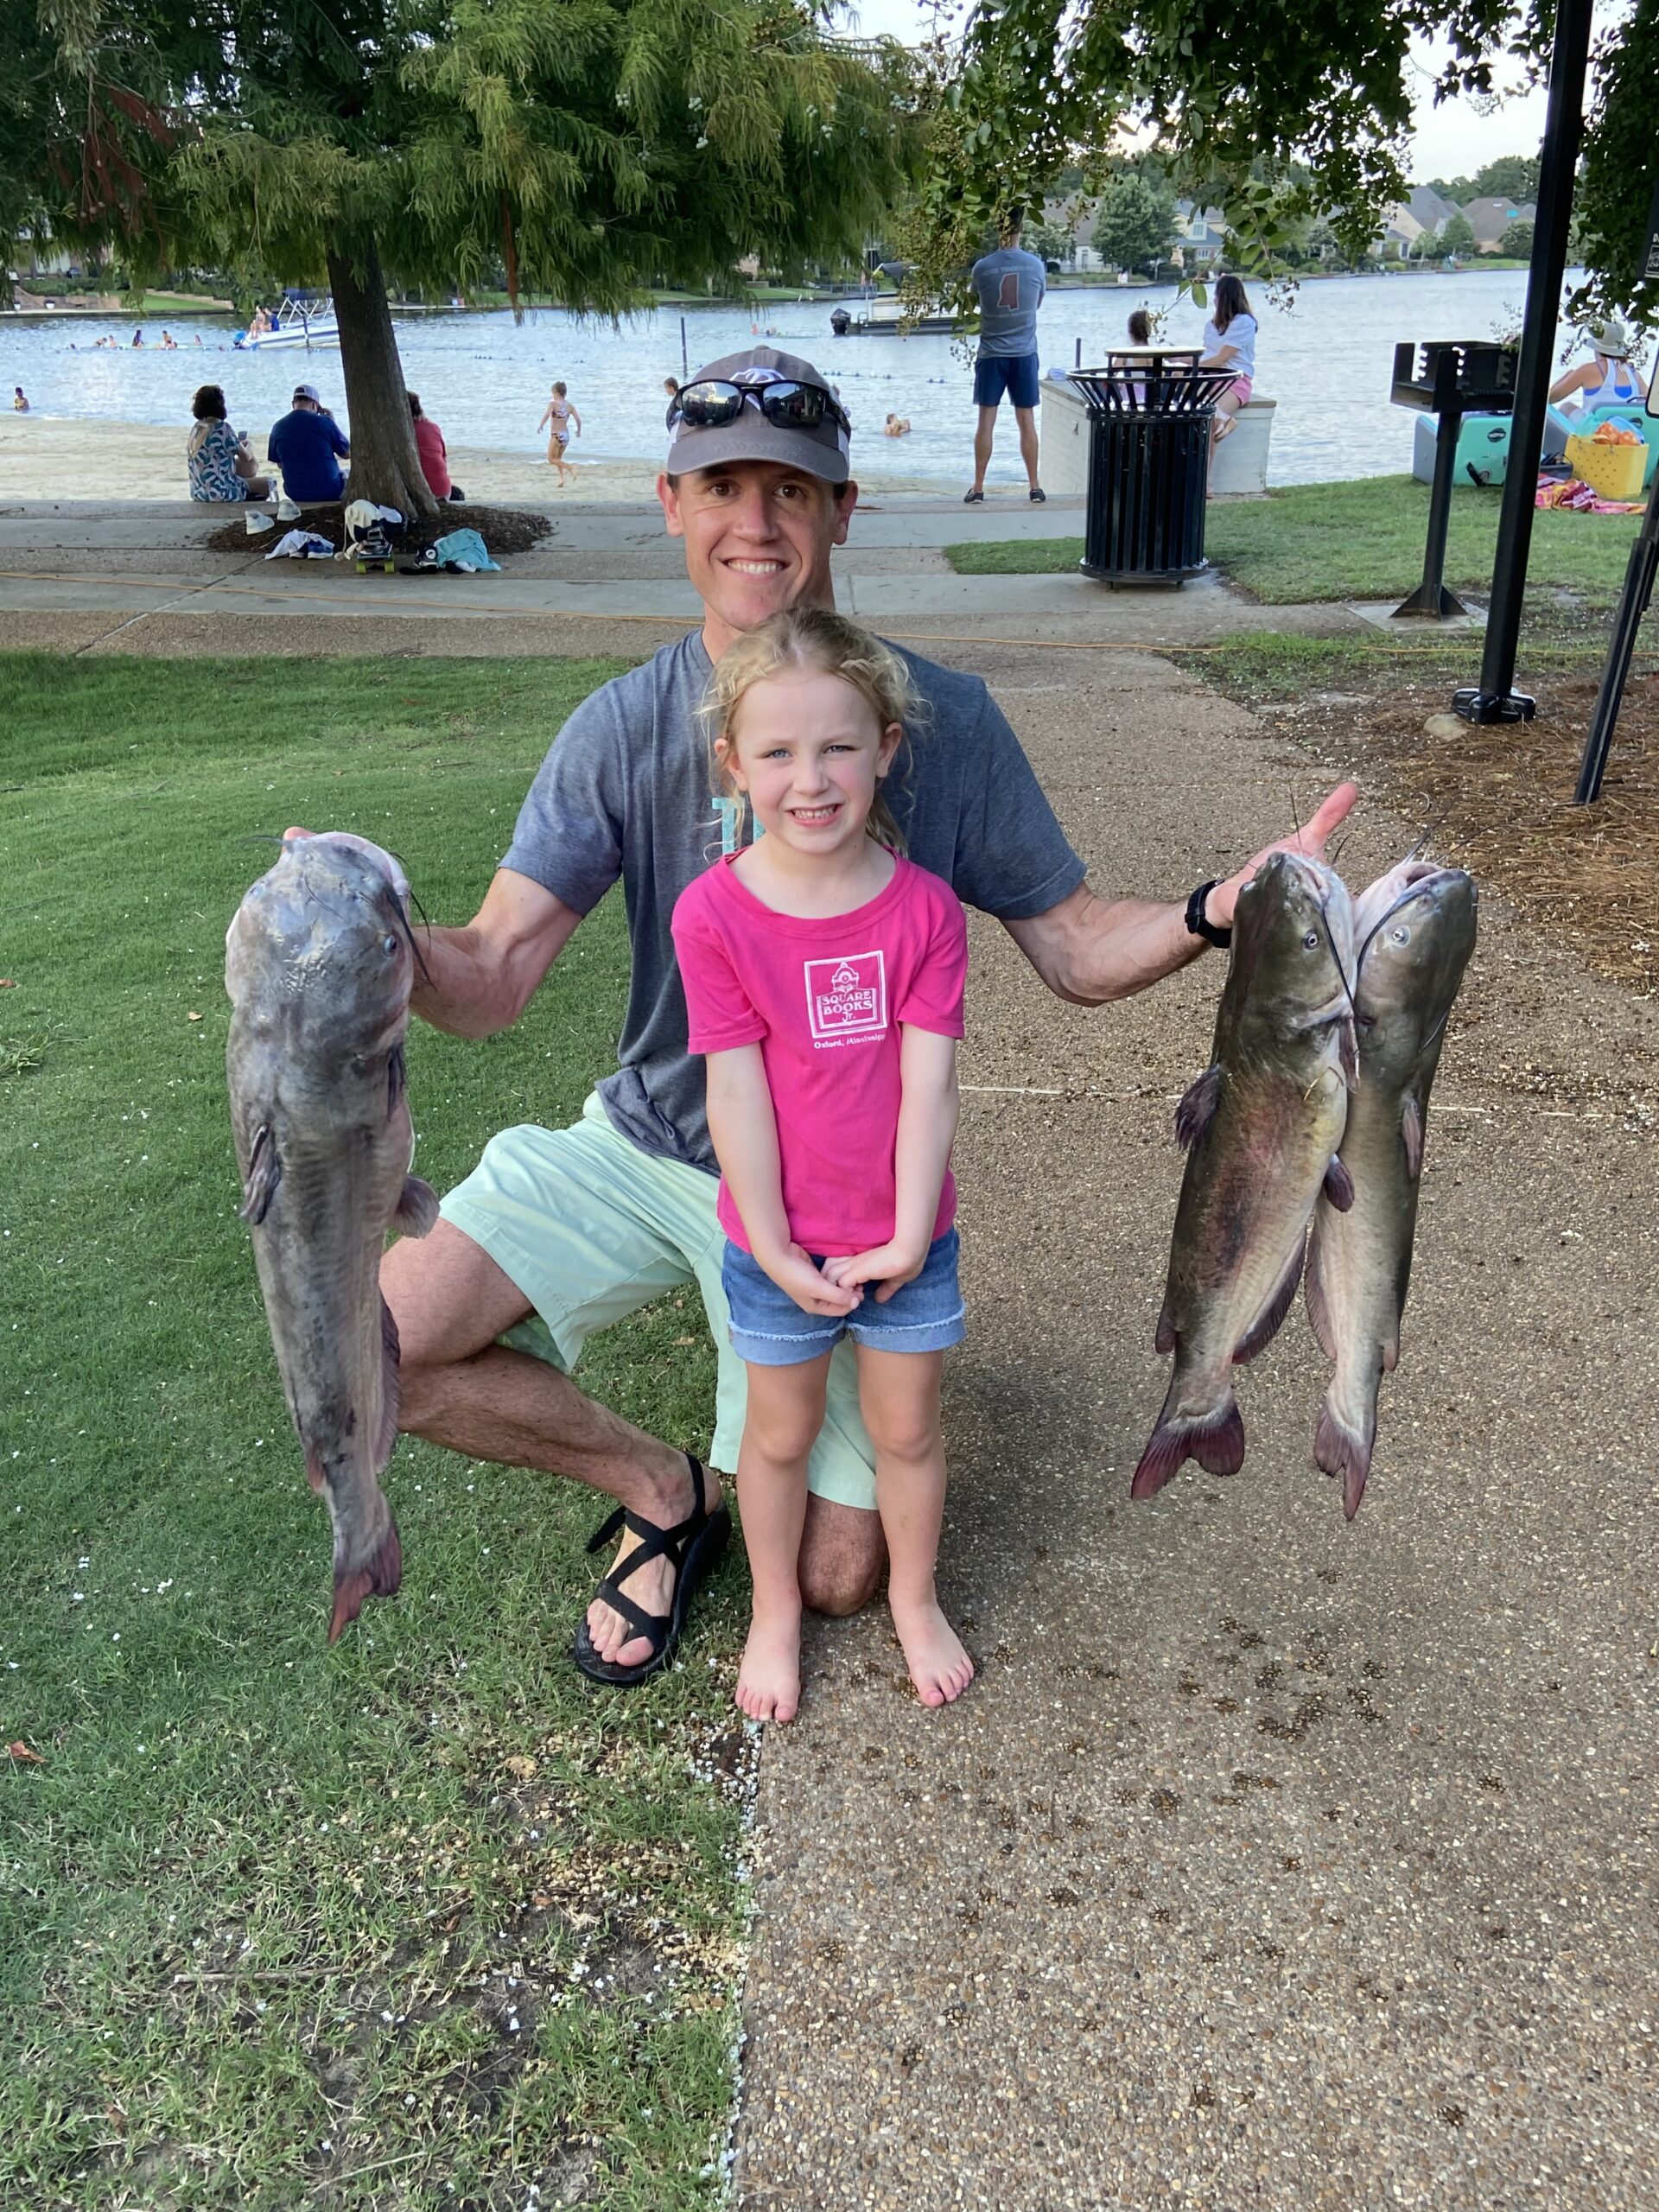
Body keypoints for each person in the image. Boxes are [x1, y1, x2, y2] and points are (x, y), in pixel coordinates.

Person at [346, 342, 1351, 1693]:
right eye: (723, 489)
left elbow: (1071, 947)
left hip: (843, 1191)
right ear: (671, 505)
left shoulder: (945, 723)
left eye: (791, 492)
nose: (754, 524)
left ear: (840, 512)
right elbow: (493, 974)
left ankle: (793, 1410)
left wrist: (1216, 908)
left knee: (836, 1582)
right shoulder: (622, 727)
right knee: (371, 1351)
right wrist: (368, 939)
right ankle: (663, 1489)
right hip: (647, 1144)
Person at [672, 608, 975, 1724]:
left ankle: (914, 1598)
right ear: (734, 767)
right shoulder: (711, 916)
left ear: (887, 747)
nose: (814, 778)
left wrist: (904, 1236)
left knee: (907, 1430)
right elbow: (736, 1090)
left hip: (907, 1238)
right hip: (776, 1246)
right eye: (781, 752)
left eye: (840, 746)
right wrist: (780, 1244)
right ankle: (773, 1614)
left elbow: (931, 1085)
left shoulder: (927, 914)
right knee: (779, 1436)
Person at [963, 206, 1046, 504]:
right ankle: (1034, 486)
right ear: (1020, 230)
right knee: (1026, 420)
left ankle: (979, 486)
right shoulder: (1035, 265)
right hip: (1024, 353)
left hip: (991, 354)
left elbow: (978, 301)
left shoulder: (982, 268)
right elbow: (1036, 303)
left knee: (986, 420)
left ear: (997, 230)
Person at [1198, 274, 1258, 448]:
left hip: (1235, 380)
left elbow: (1224, 357)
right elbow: (1208, 355)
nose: (1214, 300)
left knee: (1210, 423)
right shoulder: (1211, 326)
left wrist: (1194, 368)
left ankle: (1207, 474)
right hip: (1211, 378)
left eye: (1217, 295)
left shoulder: (1244, 322)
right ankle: (1225, 419)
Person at [186, 384, 272, 502]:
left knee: (251, 465)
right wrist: (249, 445)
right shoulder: (222, 428)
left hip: (198, 491)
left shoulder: (197, 428)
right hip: (219, 492)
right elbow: (246, 456)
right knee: (269, 483)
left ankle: (245, 494)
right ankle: (242, 497)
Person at [267, 381, 350, 503]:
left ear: (293, 404)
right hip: (331, 490)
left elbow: (280, 464)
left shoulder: (277, 427)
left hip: (295, 492)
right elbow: (347, 454)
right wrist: (332, 421)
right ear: (315, 405)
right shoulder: (325, 422)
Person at [1549, 321, 1643, 413]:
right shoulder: (1632, 372)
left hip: (1597, 427)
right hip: (1626, 425)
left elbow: (1552, 397)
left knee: (1567, 407)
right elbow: (1648, 400)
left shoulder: (1588, 370)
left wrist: (1569, 375)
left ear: (1596, 348)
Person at [408, 391, 464, 501]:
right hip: (443, 489)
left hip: (423, 493)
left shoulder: (402, 432)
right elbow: (443, 460)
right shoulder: (433, 428)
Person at [538, 381, 582, 486]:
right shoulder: (570, 406)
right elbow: (578, 420)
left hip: (557, 435)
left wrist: (541, 425)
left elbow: (547, 415)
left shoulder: (552, 404)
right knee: (558, 459)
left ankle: (571, 468)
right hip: (565, 436)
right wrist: (579, 430)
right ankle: (561, 480)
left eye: (552, 394)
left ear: (556, 393)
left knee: (551, 459)